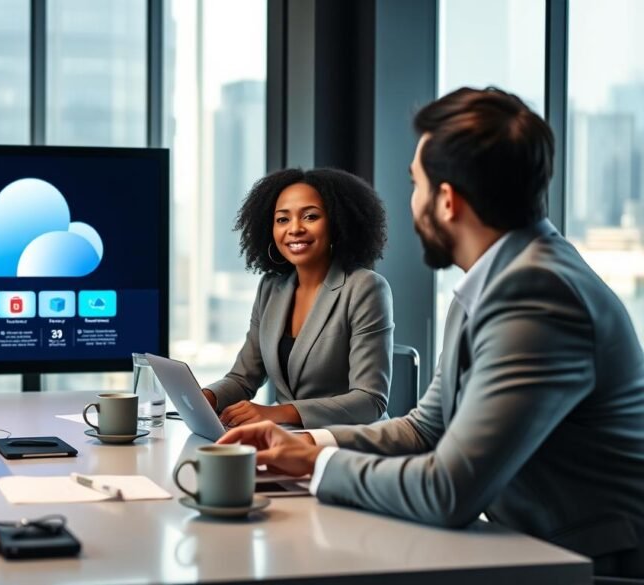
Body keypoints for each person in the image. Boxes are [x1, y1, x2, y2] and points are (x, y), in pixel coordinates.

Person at [219, 87, 644, 579]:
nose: (411, 201)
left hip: (588, 564)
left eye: (415, 184)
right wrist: (307, 446)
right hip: (532, 547)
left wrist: (319, 467)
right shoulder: (495, 282)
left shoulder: (536, 294)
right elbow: (426, 428)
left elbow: (449, 491)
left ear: (446, 200)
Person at [203, 168, 393, 428]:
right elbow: (242, 379)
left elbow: (370, 400)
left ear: (337, 223)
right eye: (282, 219)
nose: (294, 229)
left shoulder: (365, 288)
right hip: (288, 439)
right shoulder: (271, 288)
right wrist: (206, 397)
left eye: (311, 216)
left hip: (348, 444)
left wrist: (278, 413)